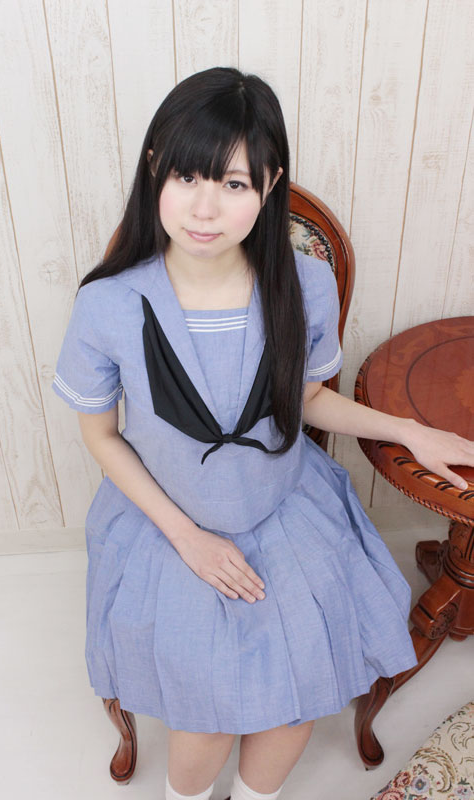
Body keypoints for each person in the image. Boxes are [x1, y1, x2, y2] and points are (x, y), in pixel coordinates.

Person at [51, 67, 474, 800]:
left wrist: (407, 429)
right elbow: (103, 437)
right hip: (168, 526)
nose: (204, 208)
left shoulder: (303, 285)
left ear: (271, 183)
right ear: (154, 168)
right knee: (206, 724)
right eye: (186, 176)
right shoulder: (108, 304)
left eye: (235, 183)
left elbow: (305, 398)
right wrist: (189, 539)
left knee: (291, 707)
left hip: (284, 512)